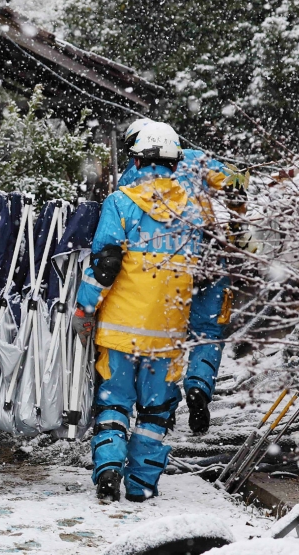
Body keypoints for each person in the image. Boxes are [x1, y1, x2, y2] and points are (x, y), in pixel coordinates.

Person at [72, 121, 225, 503]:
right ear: (176, 163)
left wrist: (84, 308)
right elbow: (204, 280)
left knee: (113, 404)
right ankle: (141, 485)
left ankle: (108, 471)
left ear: (137, 159)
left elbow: (104, 266)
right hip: (166, 338)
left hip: (119, 333)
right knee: (155, 414)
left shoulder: (120, 202)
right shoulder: (194, 215)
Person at [113, 119, 248, 435]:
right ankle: (199, 385)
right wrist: (239, 230)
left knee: (166, 336)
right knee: (208, 332)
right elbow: (237, 182)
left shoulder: (132, 174)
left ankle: (164, 405)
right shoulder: (198, 159)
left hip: (166, 262)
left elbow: (123, 225)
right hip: (209, 256)